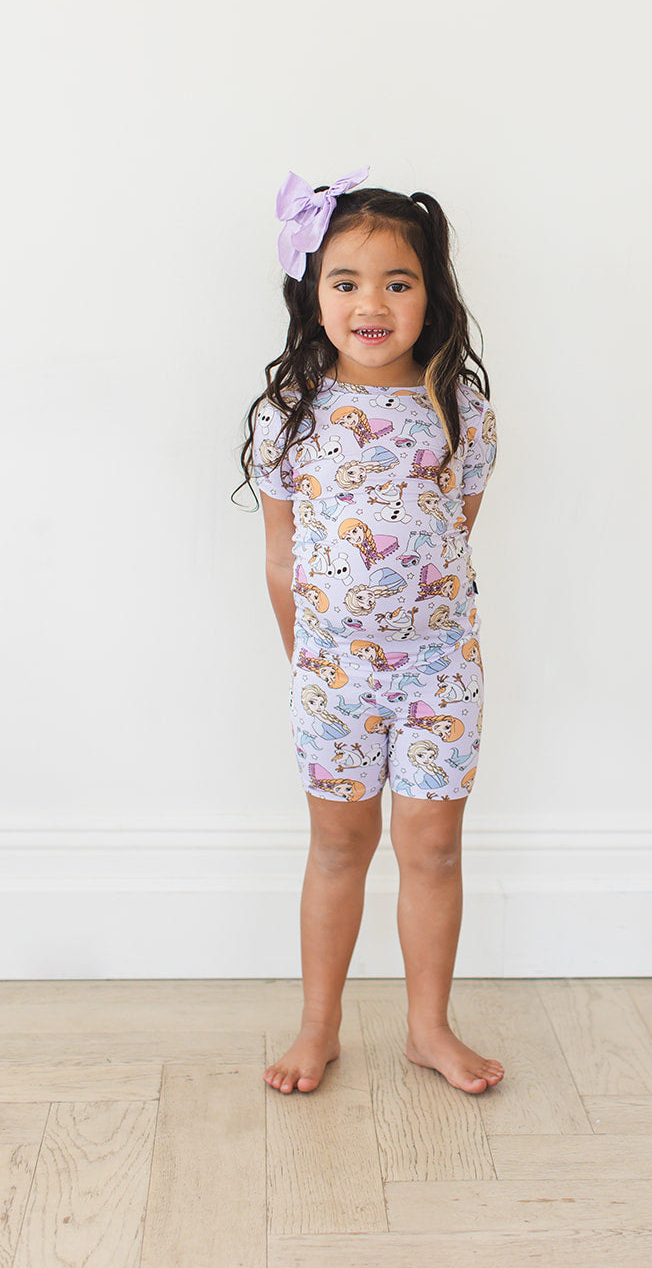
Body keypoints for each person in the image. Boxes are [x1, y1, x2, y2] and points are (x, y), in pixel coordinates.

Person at [236, 166, 502, 1096]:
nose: (372, 304)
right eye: (346, 282)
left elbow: (451, 534)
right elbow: (282, 558)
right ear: (314, 294)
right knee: (339, 849)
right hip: (332, 680)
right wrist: (307, 660)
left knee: (432, 850)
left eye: (398, 282)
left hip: (439, 673)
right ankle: (319, 1027)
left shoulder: (460, 410)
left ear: (432, 294)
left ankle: (428, 1028)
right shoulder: (289, 416)